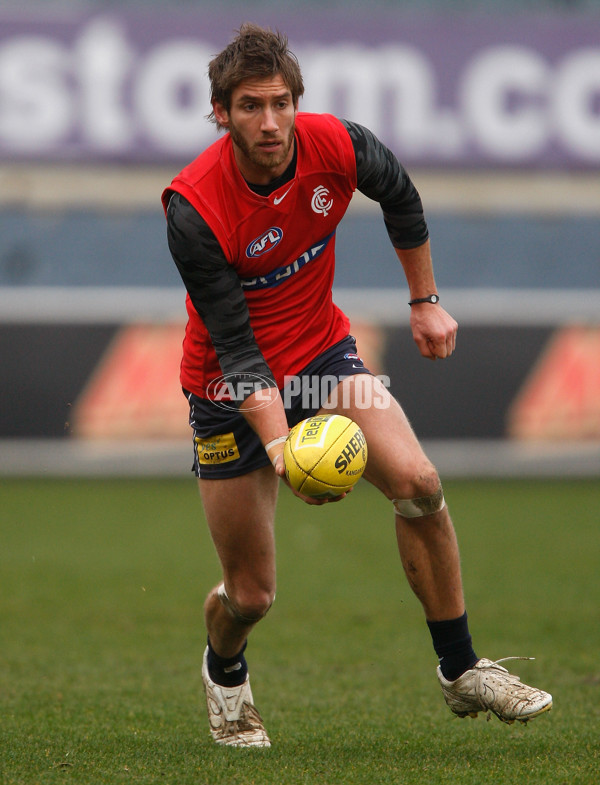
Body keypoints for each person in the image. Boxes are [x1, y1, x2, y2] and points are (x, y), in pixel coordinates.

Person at [162, 23, 552, 747]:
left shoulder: (337, 144)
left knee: (421, 483)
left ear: (297, 102)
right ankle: (224, 671)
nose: (270, 122)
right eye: (250, 106)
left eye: (281, 102)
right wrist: (280, 449)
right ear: (221, 113)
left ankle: (461, 667)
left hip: (324, 359)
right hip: (228, 389)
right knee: (251, 594)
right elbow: (237, 349)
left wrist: (425, 300)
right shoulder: (194, 206)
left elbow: (400, 196)